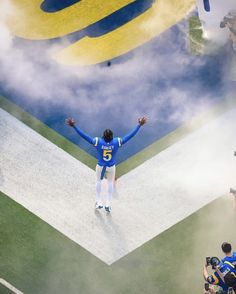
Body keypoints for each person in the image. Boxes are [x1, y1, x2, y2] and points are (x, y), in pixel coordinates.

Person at [66, 116, 147, 212]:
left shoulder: (98, 142)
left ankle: (99, 202)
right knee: (110, 183)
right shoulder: (116, 142)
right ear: (112, 137)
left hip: (100, 166)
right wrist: (139, 125)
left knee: (98, 181)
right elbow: (130, 136)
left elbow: (84, 136)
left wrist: (74, 126)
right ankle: (108, 204)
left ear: (103, 136)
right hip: (111, 166)